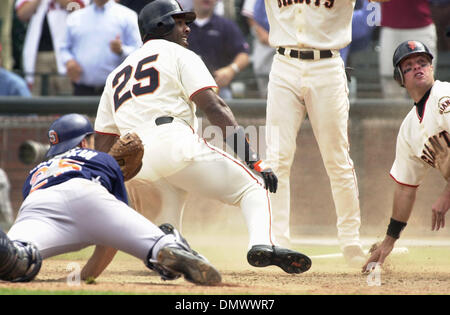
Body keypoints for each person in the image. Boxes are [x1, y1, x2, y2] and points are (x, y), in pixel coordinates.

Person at [94, 0, 312, 275]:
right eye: (180, 22)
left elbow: (102, 142)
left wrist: (105, 186)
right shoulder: (179, 54)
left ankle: (167, 256)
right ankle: (262, 245)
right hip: (172, 140)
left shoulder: (115, 75)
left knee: (167, 233)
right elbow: (215, 107)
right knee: (253, 187)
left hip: (137, 164)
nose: (187, 28)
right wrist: (253, 160)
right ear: (160, 25)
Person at [0, 113, 222, 285]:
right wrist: (86, 276)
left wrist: (78, 278)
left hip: (37, 204)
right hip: (88, 195)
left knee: (17, 258)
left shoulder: (36, 171)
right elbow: (111, 239)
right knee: (158, 242)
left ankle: (13, 254)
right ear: (85, 142)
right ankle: (167, 247)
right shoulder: (100, 158)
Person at [262, 0, 389, 266]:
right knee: (276, 160)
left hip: (327, 66)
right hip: (283, 65)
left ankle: (350, 241)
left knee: (337, 160)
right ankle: (277, 241)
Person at [363, 40, 450, 271]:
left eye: (422, 62)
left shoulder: (444, 96)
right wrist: (389, 241)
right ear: (399, 78)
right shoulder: (409, 129)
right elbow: (405, 188)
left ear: (432, 68)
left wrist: (446, 194)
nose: (418, 68)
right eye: (409, 66)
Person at [60, 0, 142, 96]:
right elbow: (64, 48)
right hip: (82, 90)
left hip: (116, 90)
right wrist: (69, 61)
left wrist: (121, 50)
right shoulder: (75, 17)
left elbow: (139, 51)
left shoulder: (127, 16)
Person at [15, 0, 89, 96]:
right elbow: (22, 14)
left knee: (68, 102)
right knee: (41, 102)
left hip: (68, 54)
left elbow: (79, 9)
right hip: (39, 55)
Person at [187, 0, 250, 99]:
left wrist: (231, 70)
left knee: (227, 101)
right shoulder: (181, 25)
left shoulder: (226, 25)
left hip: (217, 87)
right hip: (185, 86)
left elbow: (244, 55)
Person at [378, 0, 438, 99]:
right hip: (391, 26)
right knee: (391, 83)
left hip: (421, 26)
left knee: (424, 83)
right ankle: (396, 114)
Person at [241, 0, 274, 98]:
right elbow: (249, 14)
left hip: (289, 43)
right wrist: (261, 33)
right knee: (264, 81)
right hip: (264, 43)